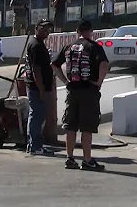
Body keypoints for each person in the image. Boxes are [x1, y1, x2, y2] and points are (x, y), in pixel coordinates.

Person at [51, 20, 108, 171]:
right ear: (91, 31)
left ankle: (70, 158)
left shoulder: (69, 46)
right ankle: (87, 159)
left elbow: (54, 64)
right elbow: (104, 64)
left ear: (77, 31)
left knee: (71, 126)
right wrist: (99, 82)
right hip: (89, 89)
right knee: (87, 127)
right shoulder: (94, 46)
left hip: (73, 89)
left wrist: (65, 81)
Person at [22, 19, 55, 156]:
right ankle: (34, 146)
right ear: (37, 28)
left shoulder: (38, 44)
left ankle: (35, 145)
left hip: (38, 87)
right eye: (44, 29)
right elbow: (36, 70)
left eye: (48, 29)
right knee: (36, 116)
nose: (47, 32)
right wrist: (41, 89)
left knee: (38, 116)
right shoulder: (35, 45)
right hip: (36, 88)